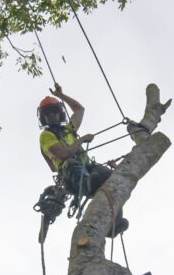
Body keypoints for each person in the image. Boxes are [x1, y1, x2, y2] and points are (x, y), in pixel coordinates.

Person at [37, 83, 128, 236]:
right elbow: (63, 154)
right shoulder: (46, 136)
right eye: (48, 113)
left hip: (88, 168)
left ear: (60, 113)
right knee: (71, 162)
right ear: (43, 117)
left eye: (54, 111)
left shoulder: (68, 130)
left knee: (107, 175)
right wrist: (81, 140)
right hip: (70, 175)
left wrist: (61, 96)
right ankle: (87, 183)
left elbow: (79, 110)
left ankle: (114, 222)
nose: (51, 115)